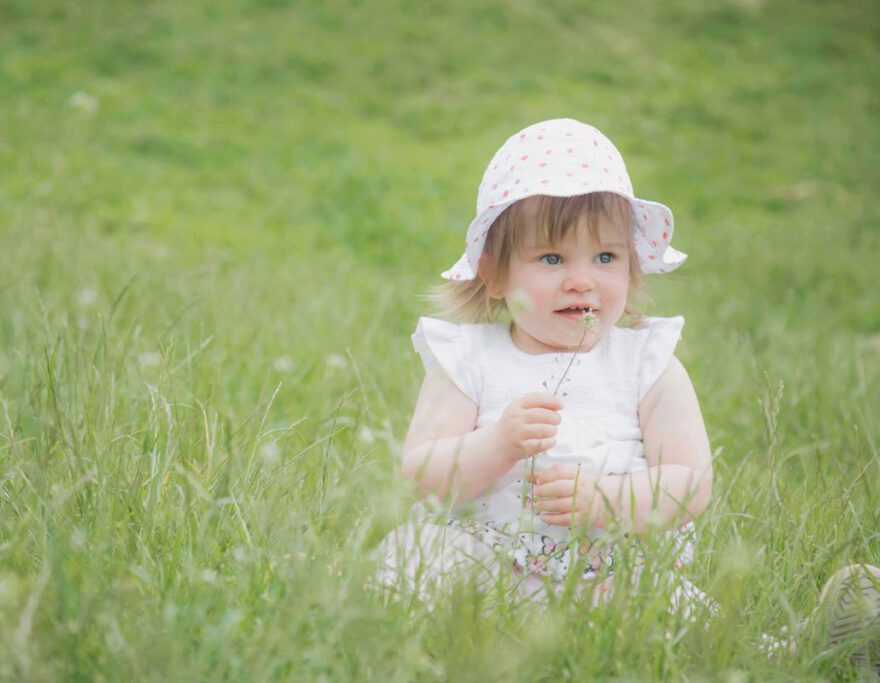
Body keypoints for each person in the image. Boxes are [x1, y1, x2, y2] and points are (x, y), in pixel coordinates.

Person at [373, 118, 879, 668]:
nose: (581, 279)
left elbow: (690, 484)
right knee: (421, 573)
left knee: (688, 623)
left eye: (606, 258)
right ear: (493, 275)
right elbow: (421, 473)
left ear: (633, 267)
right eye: (551, 259)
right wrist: (496, 445)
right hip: (485, 565)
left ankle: (810, 646)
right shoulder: (468, 360)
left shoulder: (646, 365)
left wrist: (606, 501)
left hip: (611, 577)